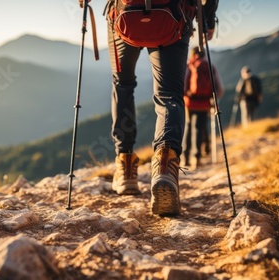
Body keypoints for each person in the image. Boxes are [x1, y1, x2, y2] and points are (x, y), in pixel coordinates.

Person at [79, 0, 219, 216]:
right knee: (169, 94)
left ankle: (125, 168)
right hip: (174, 15)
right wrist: (207, 20)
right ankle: (165, 165)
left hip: (123, 15)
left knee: (123, 85)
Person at [182, 46, 223, 169]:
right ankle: (197, 158)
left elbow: (183, 87)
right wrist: (213, 100)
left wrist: (184, 98)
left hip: (190, 102)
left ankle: (185, 158)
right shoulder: (209, 66)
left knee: (188, 128)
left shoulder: (189, 65)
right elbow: (219, 88)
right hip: (204, 103)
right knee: (199, 129)